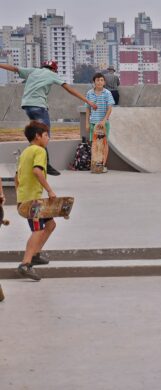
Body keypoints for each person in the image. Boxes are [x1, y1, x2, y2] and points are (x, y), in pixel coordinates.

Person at [0, 60, 97, 176]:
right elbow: (69, 89)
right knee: (45, 135)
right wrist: (88, 101)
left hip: (27, 107)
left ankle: (33, 158)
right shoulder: (52, 74)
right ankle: (46, 163)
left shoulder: (34, 71)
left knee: (36, 135)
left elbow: (14, 68)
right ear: (54, 70)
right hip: (39, 107)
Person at [16, 121, 58, 281]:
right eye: (46, 135)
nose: (48, 138)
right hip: (33, 201)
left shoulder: (25, 152)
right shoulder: (40, 150)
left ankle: (35, 254)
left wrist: (19, 196)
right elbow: (37, 171)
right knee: (38, 230)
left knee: (50, 225)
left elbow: (16, 176)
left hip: (28, 198)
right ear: (37, 136)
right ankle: (25, 264)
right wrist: (49, 190)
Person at [86, 73, 115, 172]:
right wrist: (87, 123)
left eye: (102, 80)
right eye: (97, 80)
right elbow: (87, 109)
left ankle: (103, 165)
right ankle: (95, 165)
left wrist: (104, 120)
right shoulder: (89, 93)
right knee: (94, 144)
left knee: (104, 144)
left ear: (104, 82)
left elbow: (110, 108)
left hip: (104, 124)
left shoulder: (107, 93)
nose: (100, 82)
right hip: (93, 123)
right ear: (94, 82)